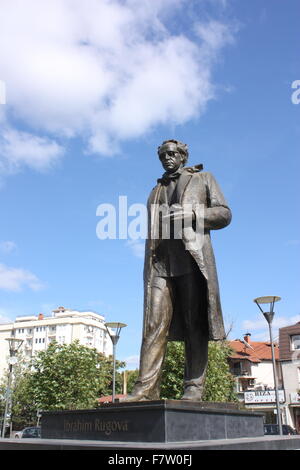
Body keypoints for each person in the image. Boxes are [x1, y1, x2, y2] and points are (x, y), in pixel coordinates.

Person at [125, 139, 232, 401]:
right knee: (152, 324)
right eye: (162, 155)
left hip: (192, 262)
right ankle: (145, 388)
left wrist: (193, 215)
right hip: (160, 265)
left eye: (172, 154)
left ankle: (193, 387)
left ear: (183, 156)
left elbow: (224, 214)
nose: (167, 158)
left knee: (194, 323)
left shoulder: (203, 178)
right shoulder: (155, 190)